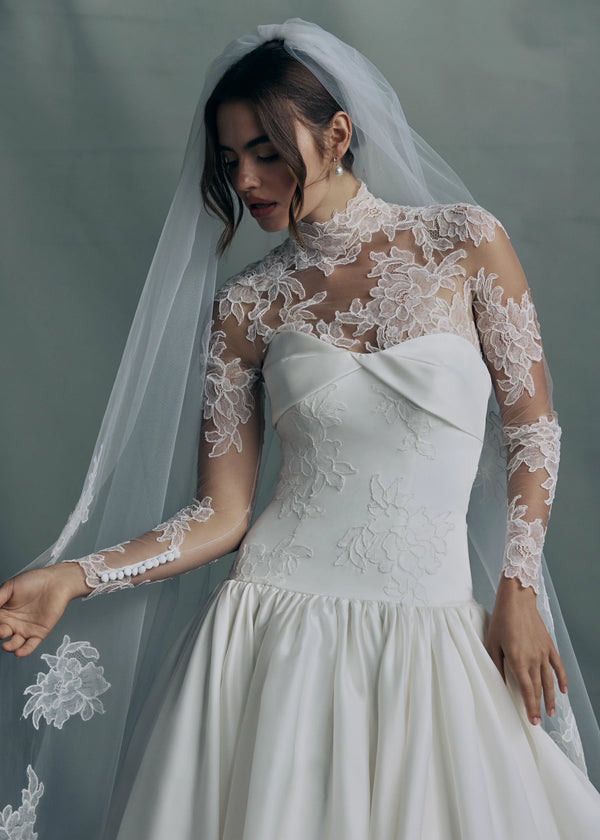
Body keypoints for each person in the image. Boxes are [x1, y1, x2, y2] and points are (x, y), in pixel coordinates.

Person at [1, 18, 599, 840]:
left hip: (431, 617)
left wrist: (518, 590)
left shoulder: (464, 243)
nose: (245, 178)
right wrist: (74, 577)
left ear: (338, 134)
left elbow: (534, 428)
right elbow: (222, 514)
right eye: (229, 159)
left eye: (266, 151)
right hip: (275, 623)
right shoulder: (247, 304)